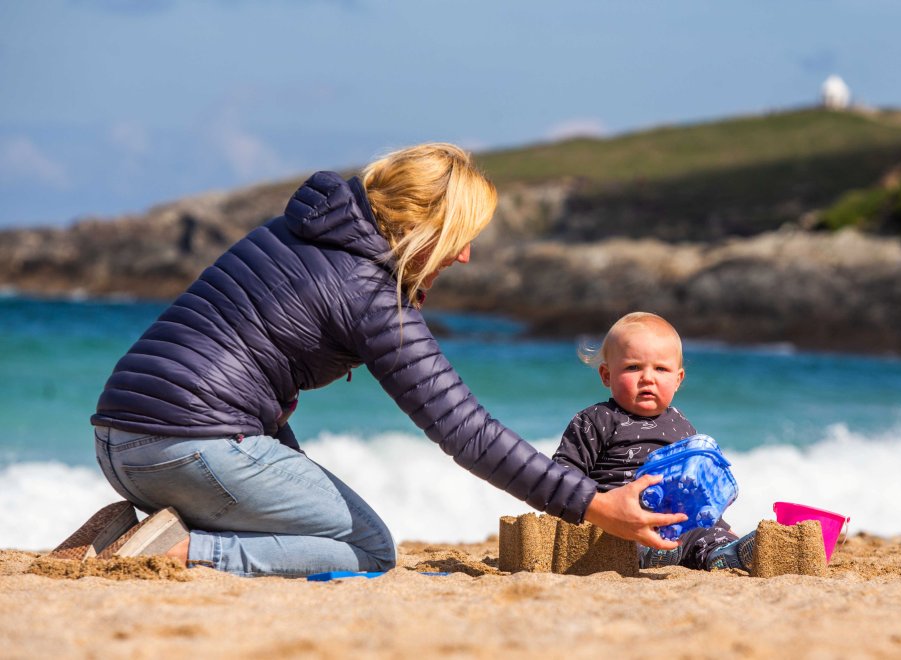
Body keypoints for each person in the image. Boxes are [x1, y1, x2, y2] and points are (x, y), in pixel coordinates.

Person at [53, 143, 687, 577]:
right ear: (427, 228)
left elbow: (242, 365)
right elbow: (464, 429)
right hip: (191, 449)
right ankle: (179, 552)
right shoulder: (373, 295)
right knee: (368, 547)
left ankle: (128, 534)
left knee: (306, 521)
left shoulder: (292, 231)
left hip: (118, 443)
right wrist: (593, 504)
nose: (464, 258)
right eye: (460, 240)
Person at [552, 311, 755, 571]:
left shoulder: (682, 425)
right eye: (633, 367)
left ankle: (725, 553)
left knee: (707, 534)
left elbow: (696, 480)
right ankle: (650, 552)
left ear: (678, 380)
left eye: (661, 369)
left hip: (679, 520)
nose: (648, 377)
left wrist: (717, 517)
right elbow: (563, 471)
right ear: (606, 375)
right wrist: (592, 507)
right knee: (618, 537)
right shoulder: (596, 420)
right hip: (624, 517)